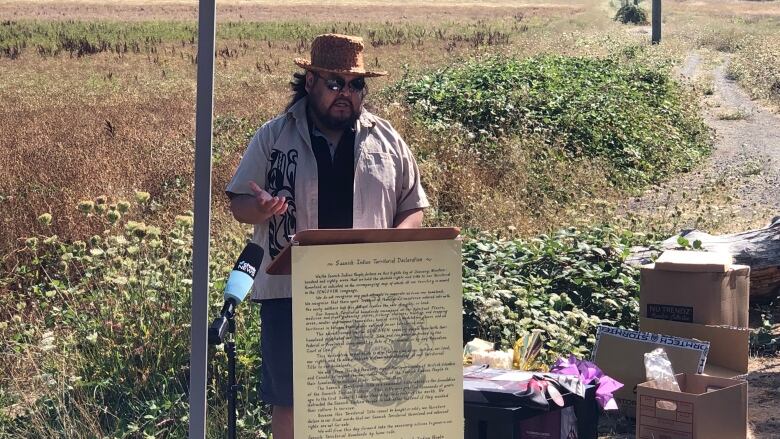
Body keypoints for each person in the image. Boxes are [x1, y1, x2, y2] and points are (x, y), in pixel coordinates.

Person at [225, 33, 429, 439]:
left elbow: (413, 207)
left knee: (368, 395)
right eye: (335, 83)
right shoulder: (274, 136)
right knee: (291, 399)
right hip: (291, 292)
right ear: (310, 81)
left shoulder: (387, 140)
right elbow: (238, 203)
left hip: (368, 295)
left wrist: (396, 249)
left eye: (356, 85)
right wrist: (261, 209)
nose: (346, 94)